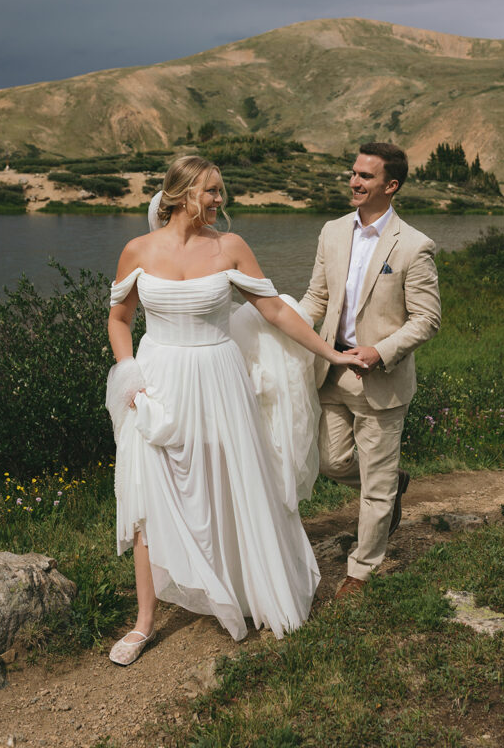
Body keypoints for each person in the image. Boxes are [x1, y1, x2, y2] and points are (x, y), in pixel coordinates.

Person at [105, 155, 367, 665]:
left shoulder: (231, 248)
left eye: (221, 191)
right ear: (181, 193)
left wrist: (332, 352)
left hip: (219, 379)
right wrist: (129, 377)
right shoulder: (136, 250)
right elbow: (119, 320)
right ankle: (142, 624)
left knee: (229, 483)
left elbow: (273, 311)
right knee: (147, 497)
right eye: (211, 191)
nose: (220, 201)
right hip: (155, 382)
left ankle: (244, 587)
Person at [300, 142, 441, 597]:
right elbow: (317, 298)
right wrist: (282, 323)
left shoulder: (415, 246)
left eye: (365, 176)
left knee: (374, 487)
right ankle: (392, 479)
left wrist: (381, 351)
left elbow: (427, 319)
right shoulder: (331, 231)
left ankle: (360, 571)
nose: (354, 181)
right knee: (329, 460)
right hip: (331, 369)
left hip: (382, 378)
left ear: (391, 185)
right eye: (353, 173)